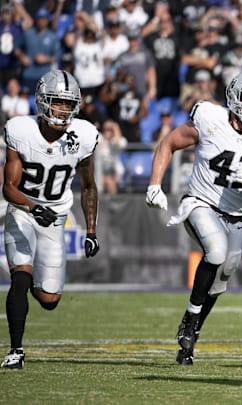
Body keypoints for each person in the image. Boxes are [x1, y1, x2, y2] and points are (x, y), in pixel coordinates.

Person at [145, 70, 242, 366]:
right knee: (216, 251)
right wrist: (155, 183)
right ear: (233, 96)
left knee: (220, 282)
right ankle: (190, 319)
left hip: (235, 215)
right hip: (200, 203)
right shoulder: (210, 118)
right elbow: (168, 143)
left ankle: (190, 338)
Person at [1, 69, 100, 369]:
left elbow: (88, 186)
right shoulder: (21, 130)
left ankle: (35, 282)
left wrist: (92, 231)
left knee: (49, 299)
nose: (64, 109)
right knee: (20, 277)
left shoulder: (83, 135)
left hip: (55, 217)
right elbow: (8, 188)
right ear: (43, 101)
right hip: (23, 210)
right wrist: (32, 207)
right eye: (57, 102)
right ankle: (15, 351)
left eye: (69, 104)